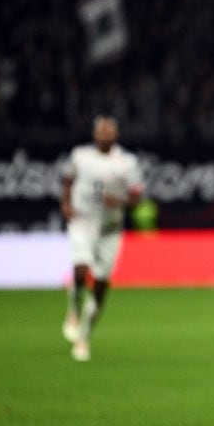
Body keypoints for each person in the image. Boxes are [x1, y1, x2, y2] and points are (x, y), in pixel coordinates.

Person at [60, 115, 144, 361]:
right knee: (80, 270)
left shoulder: (127, 162)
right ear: (95, 134)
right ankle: (74, 309)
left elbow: (136, 197)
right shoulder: (80, 156)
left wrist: (118, 201)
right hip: (82, 221)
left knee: (101, 285)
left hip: (110, 229)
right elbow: (67, 179)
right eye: (101, 132)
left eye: (109, 133)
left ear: (115, 136)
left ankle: (84, 337)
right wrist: (65, 204)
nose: (105, 137)